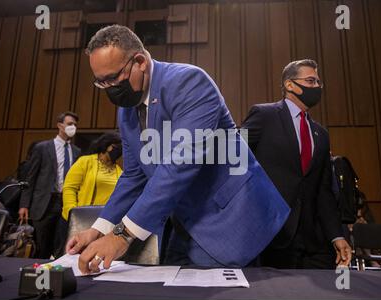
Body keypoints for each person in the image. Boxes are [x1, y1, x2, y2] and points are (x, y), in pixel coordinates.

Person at [66, 25, 290, 273]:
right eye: (101, 82)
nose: (108, 88)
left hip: (226, 218)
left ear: (139, 61)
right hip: (180, 222)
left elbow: (180, 165)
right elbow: (133, 175)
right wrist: (99, 229)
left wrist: (121, 235)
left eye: (112, 78)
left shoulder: (189, 82)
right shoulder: (126, 110)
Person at [241, 59, 352, 269]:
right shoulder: (264, 115)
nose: (317, 87)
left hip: (313, 241)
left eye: (319, 82)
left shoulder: (321, 134)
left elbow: (324, 191)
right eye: (311, 81)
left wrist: (336, 235)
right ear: (290, 85)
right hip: (271, 236)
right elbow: (234, 158)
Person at [19, 111, 81, 259]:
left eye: (75, 125)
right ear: (59, 125)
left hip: (66, 201)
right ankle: (38, 277)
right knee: (42, 245)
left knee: (61, 244)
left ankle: (56, 276)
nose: (73, 127)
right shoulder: (42, 147)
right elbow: (31, 178)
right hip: (45, 202)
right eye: (70, 124)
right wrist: (24, 204)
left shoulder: (76, 151)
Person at [62, 132, 123, 221]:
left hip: (107, 220)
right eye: (116, 147)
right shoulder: (85, 162)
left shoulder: (120, 171)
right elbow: (69, 188)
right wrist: (72, 212)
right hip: (83, 217)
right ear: (106, 145)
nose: (119, 150)